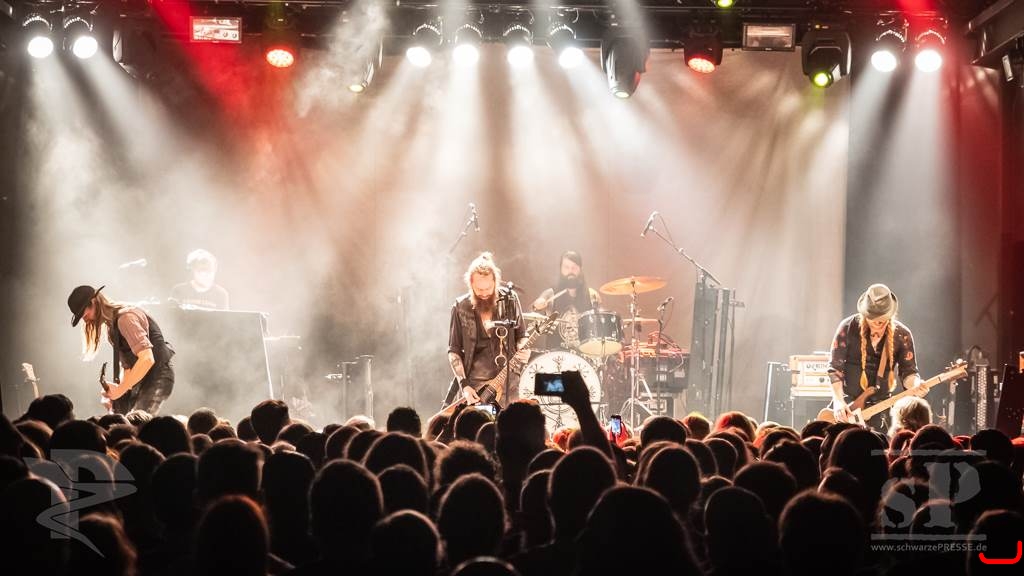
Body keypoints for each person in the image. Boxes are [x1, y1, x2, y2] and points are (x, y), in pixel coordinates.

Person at [827, 283, 925, 430]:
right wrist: (838, 401)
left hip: (881, 411)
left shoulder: (902, 335)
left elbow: (909, 372)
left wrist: (916, 385)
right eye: (873, 319)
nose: (878, 323)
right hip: (848, 408)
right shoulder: (847, 327)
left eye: (882, 319)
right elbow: (835, 369)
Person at [68, 285, 175, 414]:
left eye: (84, 314)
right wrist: (116, 395)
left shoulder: (126, 318)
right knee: (123, 418)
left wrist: (120, 390)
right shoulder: (112, 327)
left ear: (94, 303)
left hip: (157, 376)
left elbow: (147, 359)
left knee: (138, 421)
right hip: (143, 380)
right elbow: (128, 368)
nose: (85, 320)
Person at [447, 252, 527, 407]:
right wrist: (464, 385)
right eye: (479, 289)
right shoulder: (460, 307)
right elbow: (454, 350)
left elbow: (522, 335)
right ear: (471, 284)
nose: (484, 293)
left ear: (495, 282)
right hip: (476, 386)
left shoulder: (510, 299)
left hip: (509, 383)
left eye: (488, 288)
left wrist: (524, 347)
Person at [530, 251, 601, 350]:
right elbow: (538, 304)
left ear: (580, 269)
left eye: (574, 267)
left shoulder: (592, 295)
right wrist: (538, 304)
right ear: (561, 269)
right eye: (566, 267)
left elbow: (599, 327)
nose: (570, 271)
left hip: (583, 355)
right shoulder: (551, 293)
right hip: (556, 355)